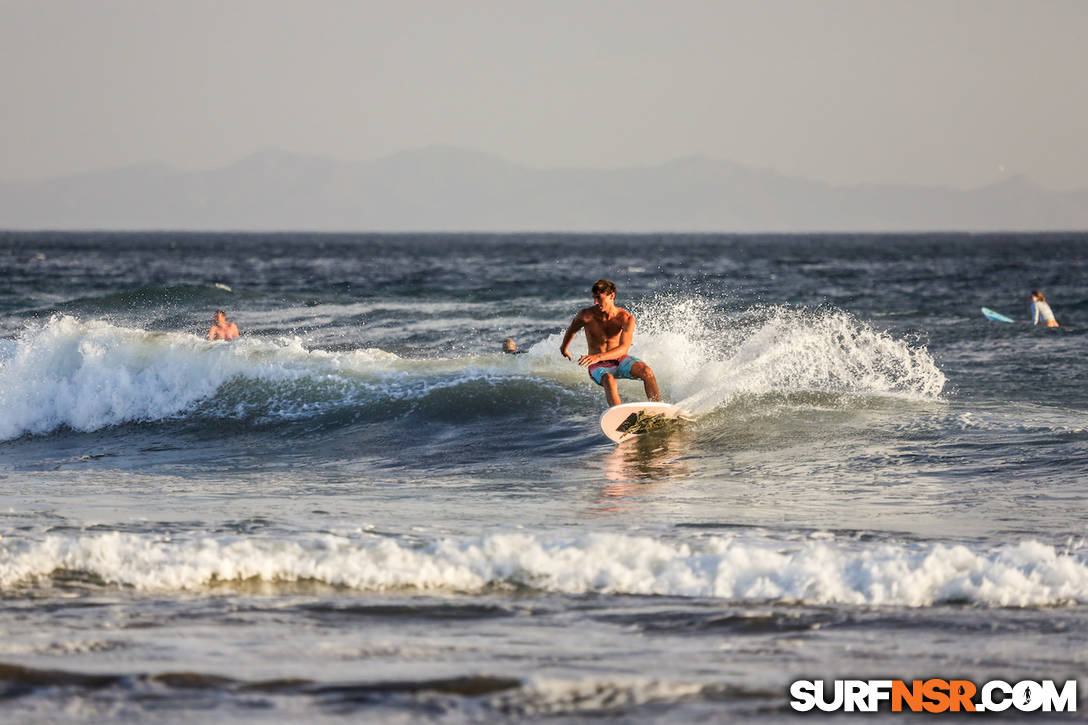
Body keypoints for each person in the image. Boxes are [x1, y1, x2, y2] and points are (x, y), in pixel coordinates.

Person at [560, 279, 660, 407]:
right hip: (597, 365)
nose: (595, 302)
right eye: (594, 298)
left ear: (611, 296)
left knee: (646, 371)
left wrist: (598, 356)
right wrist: (563, 348)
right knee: (609, 381)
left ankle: (658, 410)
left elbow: (624, 348)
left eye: (599, 298)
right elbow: (571, 330)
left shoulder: (625, 318)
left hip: (619, 359)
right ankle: (618, 416)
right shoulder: (586, 316)